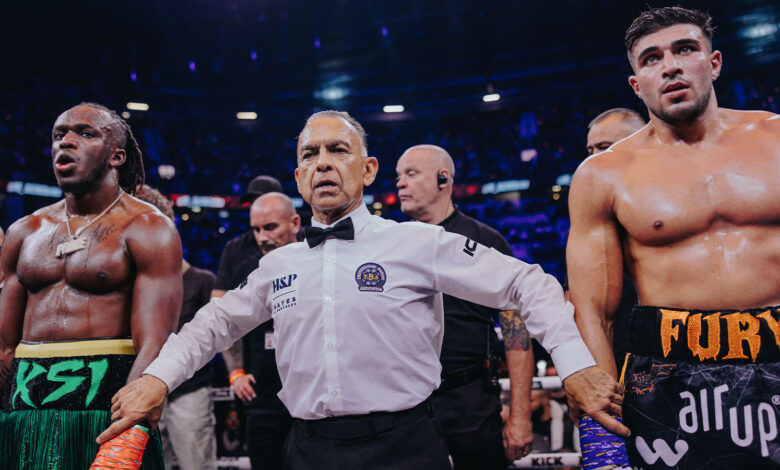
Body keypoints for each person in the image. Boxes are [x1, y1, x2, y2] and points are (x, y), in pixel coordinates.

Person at [101, 110, 626, 470]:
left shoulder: (418, 243)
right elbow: (212, 325)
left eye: (338, 150)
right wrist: (156, 379)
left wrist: (575, 364)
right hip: (307, 447)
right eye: (311, 154)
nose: (323, 162)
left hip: (405, 445)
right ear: (299, 175)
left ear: (368, 169)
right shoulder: (277, 262)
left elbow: (526, 282)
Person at [567, 7, 780, 469]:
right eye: (651, 58)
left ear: (714, 61)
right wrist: (602, 409)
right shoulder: (603, 175)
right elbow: (594, 310)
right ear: (636, 83)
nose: (670, 66)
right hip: (670, 372)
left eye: (685, 49)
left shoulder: (776, 138)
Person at [0, 103, 182, 469]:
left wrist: (130, 427)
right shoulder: (24, 231)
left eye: (85, 133)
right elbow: (4, 344)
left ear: (117, 155)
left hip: (106, 410)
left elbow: (155, 341)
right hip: (23, 411)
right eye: (58, 134)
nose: (66, 142)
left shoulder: (148, 227)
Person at [395, 144, 534, 467]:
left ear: (444, 179)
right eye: (398, 176)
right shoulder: (389, 243)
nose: (400, 183)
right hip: (407, 402)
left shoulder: (486, 242)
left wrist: (520, 416)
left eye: (411, 174)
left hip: (470, 398)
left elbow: (516, 334)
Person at [135, 185, 218, 470]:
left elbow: (218, 333)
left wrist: (236, 371)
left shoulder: (202, 280)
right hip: (141, 389)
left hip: (188, 391)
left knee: (196, 464)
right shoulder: (135, 285)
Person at [223, 192, 300, 470]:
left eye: (270, 227)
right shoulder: (248, 270)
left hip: (306, 401)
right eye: (256, 229)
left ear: (294, 223)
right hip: (263, 397)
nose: (262, 237)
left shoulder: (315, 264)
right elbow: (229, 323)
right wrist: (236, 373)